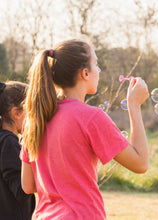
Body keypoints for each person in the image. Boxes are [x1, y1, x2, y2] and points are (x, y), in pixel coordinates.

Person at [20, 39, 149, 220]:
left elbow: (28, 185)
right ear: (85, 73)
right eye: (96, 64)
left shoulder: (34, 119)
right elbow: (140, 163)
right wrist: (134, 106)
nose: (99, 70)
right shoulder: (90, 118)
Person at [0, 81, 35, 220]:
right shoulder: (8, 143)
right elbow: (22, 191)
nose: (35, 117)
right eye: (31, 111)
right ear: (17, 113)